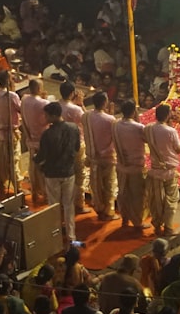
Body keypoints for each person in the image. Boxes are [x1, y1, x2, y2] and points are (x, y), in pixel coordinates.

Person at [34, 102, 81, 244]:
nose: (45, 118)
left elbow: (42, 156)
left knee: (54, 205)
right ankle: (71, 235)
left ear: (54, 116)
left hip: (52, 173)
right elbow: (77, 148)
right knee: (68, 205)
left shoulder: (47, 134)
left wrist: (35, 159)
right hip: (68, 171)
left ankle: (55, 234)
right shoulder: (73, 128)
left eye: (47, 115)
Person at [145, 104, 180, 236]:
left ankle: (157, 226)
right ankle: (169, 228)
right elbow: (178, 149)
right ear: (167, 115)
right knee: (171, 199)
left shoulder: (148, 128)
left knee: (156, 200)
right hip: (169, 171)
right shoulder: (171, 131)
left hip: (155, 170)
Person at [82, 92, 119, 221]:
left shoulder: (86, 116)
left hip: (93, 156)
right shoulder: (110, 119)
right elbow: (114, 137)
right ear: (105, 102)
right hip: (107, 156)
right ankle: (109, 212)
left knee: (96, 184)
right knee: (109, 185)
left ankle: (99, 208)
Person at [112, 100, 148, 229]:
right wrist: (138, 120)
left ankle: (125, 219)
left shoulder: (116, 124)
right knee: (137, 195)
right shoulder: (139, 128)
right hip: (136, 166)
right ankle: (138, 222)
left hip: (121, 165)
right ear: (134, 111)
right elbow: (146, 139)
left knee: (123, 193)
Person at [0, 71, 22, 195]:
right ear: (8, 81)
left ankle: (1, 186)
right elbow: (20, 109)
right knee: (13, 160)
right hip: (9, 133)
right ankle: (17, 187)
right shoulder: (11, 96)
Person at [59, 81, 90, 215]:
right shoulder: (75, 109)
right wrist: (81, 104)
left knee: (64, 173)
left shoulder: (56, 105)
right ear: (72, 93)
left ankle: (63, 201)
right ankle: (79, 203)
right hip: (76, 144)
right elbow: (86, 122)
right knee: (79, 174)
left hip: (60, 144)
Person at [21, 80, 50, 204]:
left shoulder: (24, 99)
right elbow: (49, 118)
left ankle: (35, 190)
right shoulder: (44, 103)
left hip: (30, 136)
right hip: (42, 138)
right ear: (39, 88)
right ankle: (45, 192)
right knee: (44, 167)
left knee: (33, 166)